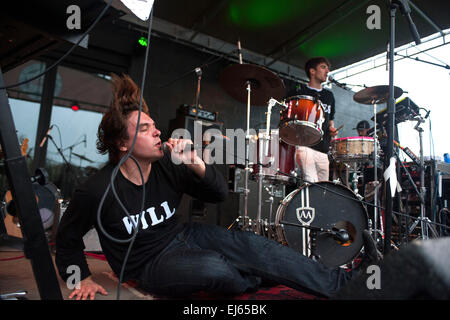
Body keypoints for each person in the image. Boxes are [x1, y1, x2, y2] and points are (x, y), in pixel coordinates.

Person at [55, 74, 380, 300]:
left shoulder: (168, 164)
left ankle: (348, 285)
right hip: (147, 265)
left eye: (154, 125)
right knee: (215, 268)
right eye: (144, 129)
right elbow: (67, 239)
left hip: (183, 235)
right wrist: (78, 276)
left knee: (254, 246)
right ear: (119, 142)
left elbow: (217, 195)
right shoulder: (96, 190)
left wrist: (196, 163)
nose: (156, 132)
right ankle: (252, 275)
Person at [286, 57, 338, 183]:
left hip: (324, 149)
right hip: (306, 146)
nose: (327, 71)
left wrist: (332, 130)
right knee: (311, 184)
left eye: (327, 68)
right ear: (312, 71)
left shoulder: (329, 95)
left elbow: (330, 120)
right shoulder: (301, 91)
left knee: (323, 188)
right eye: (323, 67)